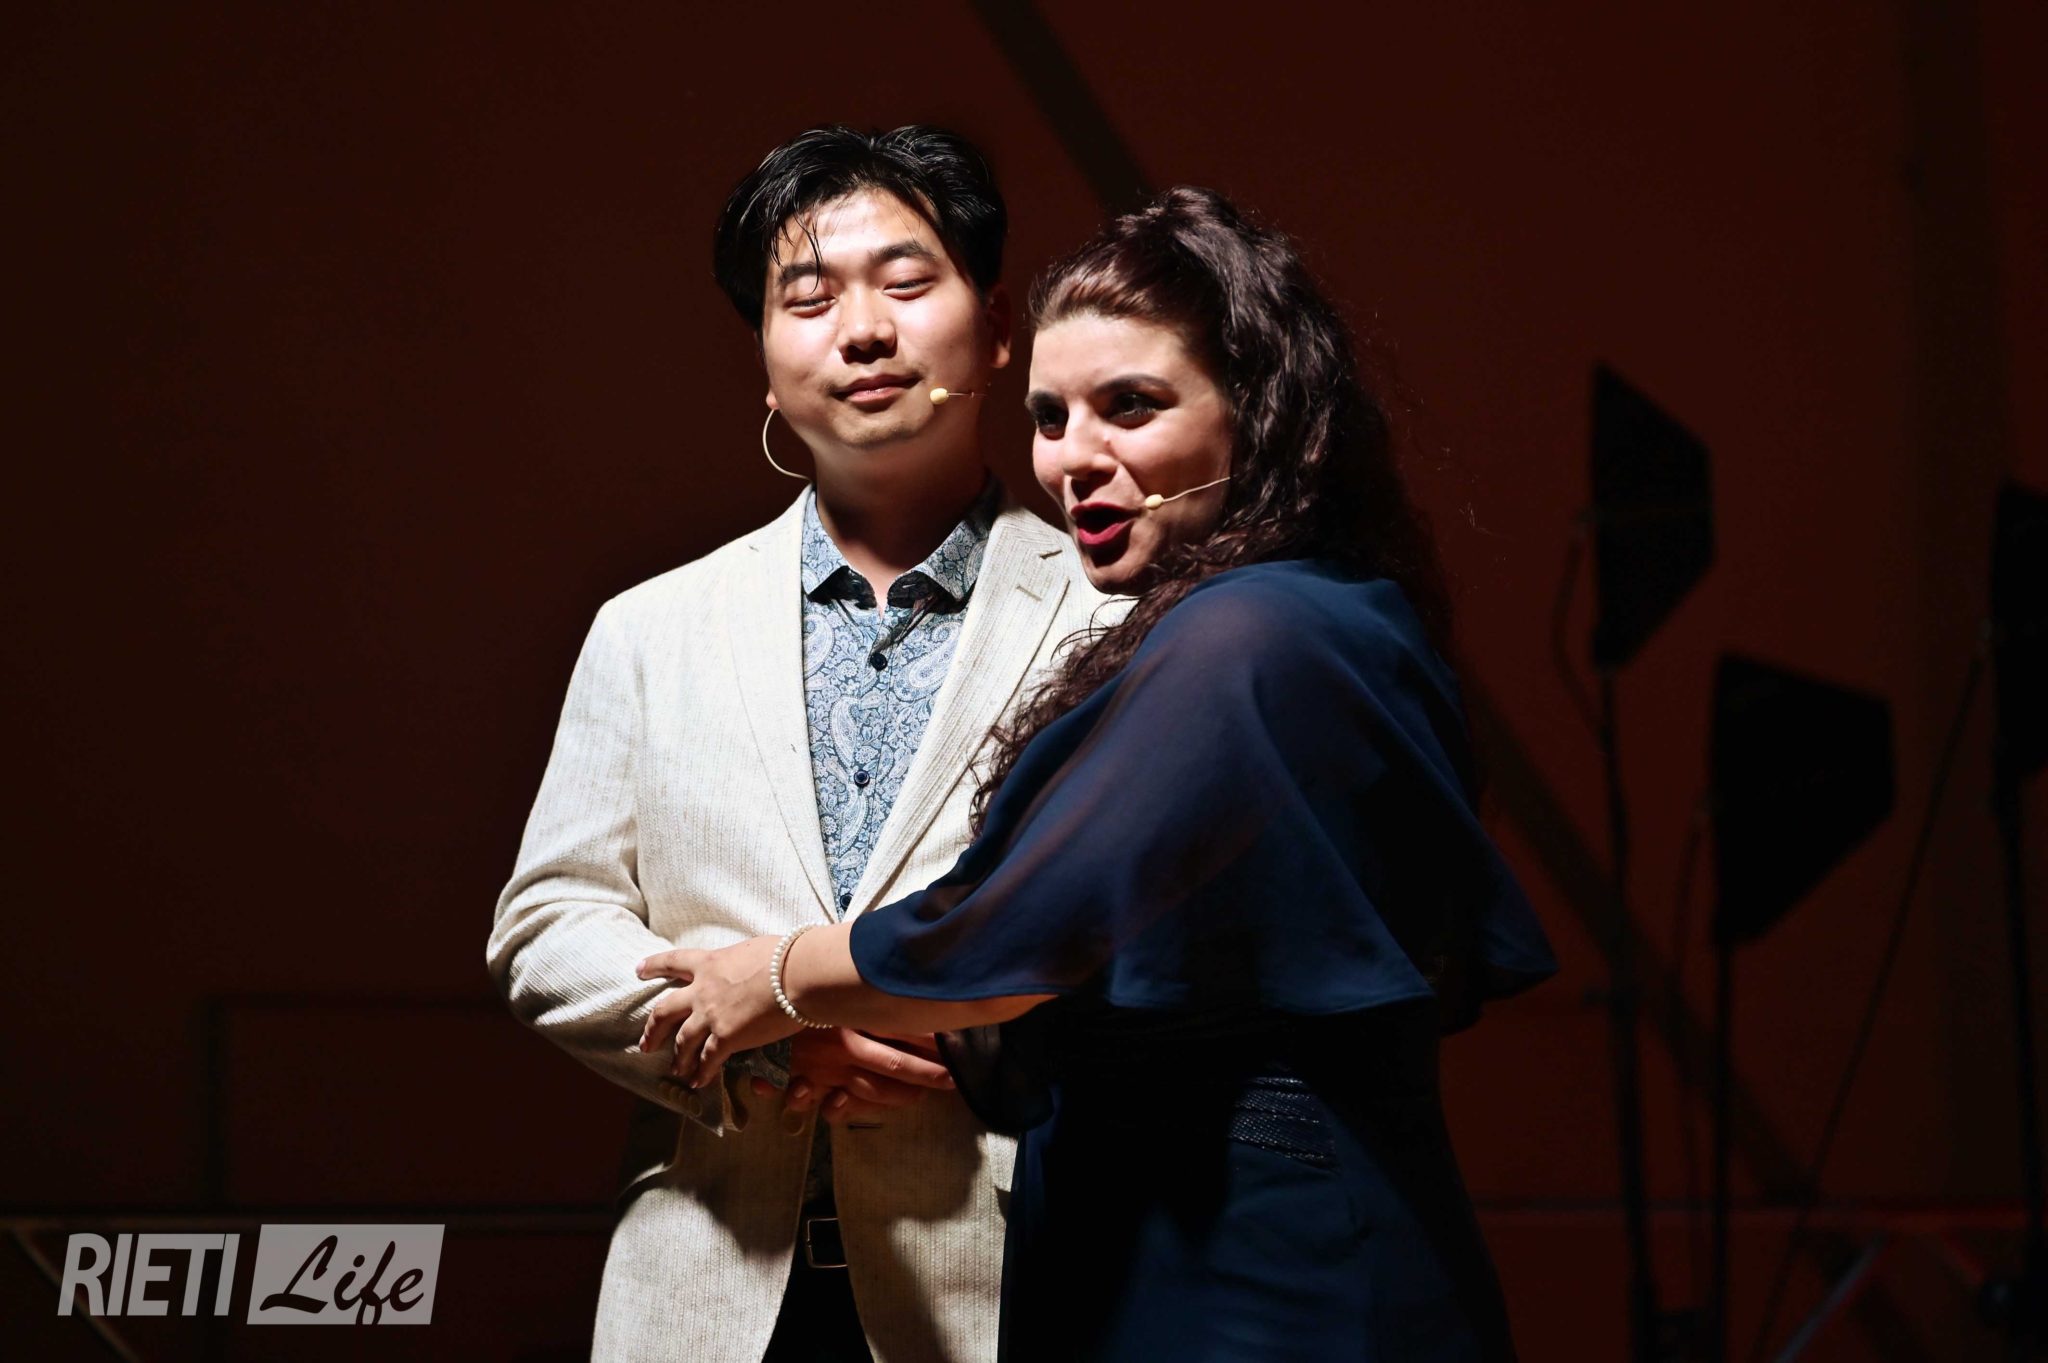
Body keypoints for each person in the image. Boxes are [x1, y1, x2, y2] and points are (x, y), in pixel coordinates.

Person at [634, 187, 1560, 1361]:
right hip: (1199, 1220)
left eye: (1130, 406)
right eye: (1048, 416)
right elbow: (1143, 959)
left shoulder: (1250, 636)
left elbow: (1018, 928)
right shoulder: (1301, 614)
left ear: (1259, 409)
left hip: (1250, 1257)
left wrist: (770, 979)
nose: (1074, 459)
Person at [486, 125, 1109, 1362]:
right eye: (807, 299)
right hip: (707, 1283)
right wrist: (770, 1039)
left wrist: (948, 1029)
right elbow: (548, 922)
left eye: (906, 282)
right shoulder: (651, 628)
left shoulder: (1112, 621)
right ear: (767, 369)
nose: (861, 331)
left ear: (996, 329)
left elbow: (1138, 931)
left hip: (1000, 1281)